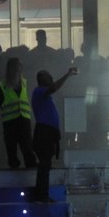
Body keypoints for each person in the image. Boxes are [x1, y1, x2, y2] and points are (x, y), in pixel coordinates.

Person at [30, 66, 76, 202]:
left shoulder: (44, 95)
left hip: (47, 133)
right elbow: (54, 88)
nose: (51, 79)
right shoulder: (39, 92)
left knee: (46, 165)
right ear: (42, 79)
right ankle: (41, 195)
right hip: (43, 133)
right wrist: (67, 75)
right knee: (44, 165)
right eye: (48, 77)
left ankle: (41, 194)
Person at [0, 57, 37, 169]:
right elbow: (0, 102)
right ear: (12, 68)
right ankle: (14, 167)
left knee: (27, 146)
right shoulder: (2, 85)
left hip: (23, 119)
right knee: (11, 147)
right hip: (10, 122)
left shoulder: (24, 82)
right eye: (18, 66)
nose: (20, 68)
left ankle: (31, 167)